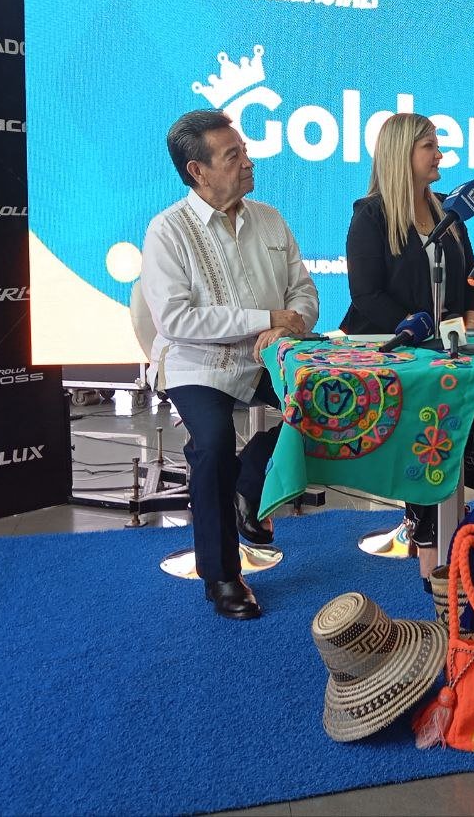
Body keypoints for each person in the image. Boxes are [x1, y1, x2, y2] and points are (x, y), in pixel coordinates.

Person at [141, 109, 320, 619]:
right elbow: (176, 320)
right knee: (214, 445)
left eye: (244, 151)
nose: (248, 162)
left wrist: (289, 325)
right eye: (233, 155)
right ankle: (221, 576)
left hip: (271, 356)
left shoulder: (269, 218)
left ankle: (250, 481)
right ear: (197, 171)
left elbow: (304, 293)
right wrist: (266, 317)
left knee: (330, 403)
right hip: (199, 364)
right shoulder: (167, 231)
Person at [340, 113, 474, 575]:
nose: (440, 154)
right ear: (403, 154)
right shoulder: (371, 215)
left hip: (446, 349)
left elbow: (471, 277)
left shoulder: (448, 213)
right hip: (393, 349)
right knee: (426, 429)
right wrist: (414, 331)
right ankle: (432, 549)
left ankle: (445, 532)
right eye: (430, 146)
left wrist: (472, 316)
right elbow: (365, 295)